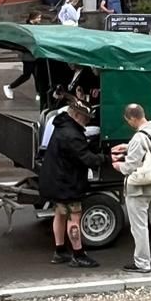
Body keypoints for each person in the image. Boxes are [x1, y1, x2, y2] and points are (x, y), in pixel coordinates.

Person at [38, 95, 103, 268]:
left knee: (59, 214)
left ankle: (60, 251)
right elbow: (87, 159)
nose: (87, 122)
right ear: (76, 115)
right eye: (85, 118)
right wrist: (106, 158)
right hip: (68, 183)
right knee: (74, 218)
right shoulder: (72, 134)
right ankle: (78, 254)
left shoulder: (61, 125)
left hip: (54, 180)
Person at [113, 102, 151, 274]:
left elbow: (130, 166)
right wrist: (128, 146)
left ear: (132, 118)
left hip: (139, 189)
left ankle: (142, 263)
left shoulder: (138, 138)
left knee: (140, 227)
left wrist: (117, 166)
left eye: (128, 120)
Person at [3, 11, 46, 99]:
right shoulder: (26, 28)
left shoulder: (35, 27)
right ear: (33, 18)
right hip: (28, 57)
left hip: (36, 56)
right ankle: (9, 87)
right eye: (38, 18)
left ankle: (39, 93)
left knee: (38, 75)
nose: (40, 19)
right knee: (26, 75)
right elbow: (24, 42)